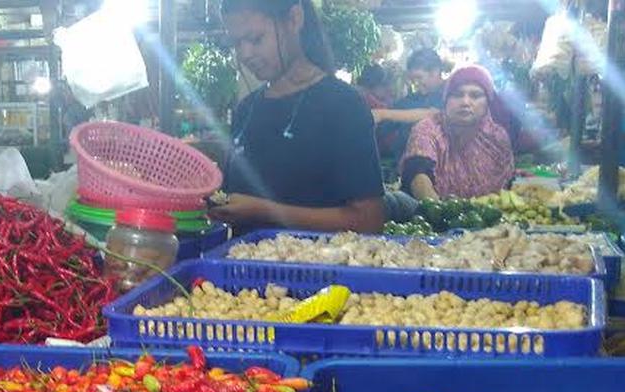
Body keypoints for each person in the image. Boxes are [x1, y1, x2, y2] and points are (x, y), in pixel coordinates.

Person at [209, 0, 384, 233]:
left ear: (294, 19)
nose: (245, 54)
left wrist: (265, 210)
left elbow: (369, 220)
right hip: (243, 267)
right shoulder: (246, 110)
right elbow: (232, 199)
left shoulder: (343, 104)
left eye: (255, 39)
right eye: (236, 43)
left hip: (318, 267)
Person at [400, 65, 514, 201]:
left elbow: (507, 190)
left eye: (475, 95)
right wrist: (442, 214)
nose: (465, 102)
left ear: (488, 103)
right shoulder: (428, 130)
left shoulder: (496, 137)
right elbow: (418, 174)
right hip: (433, 217)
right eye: (457, 95)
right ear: (446, 100)